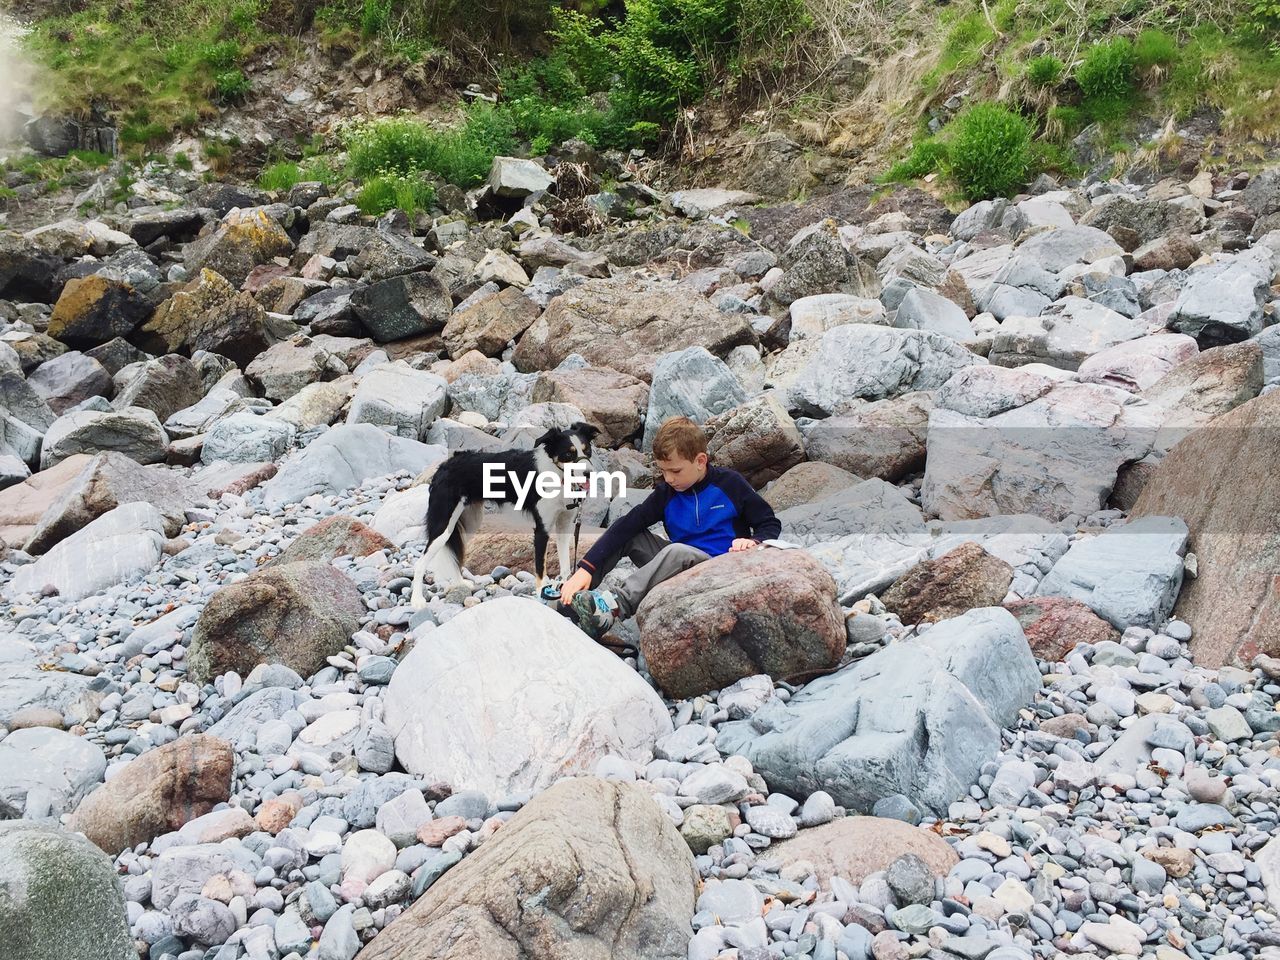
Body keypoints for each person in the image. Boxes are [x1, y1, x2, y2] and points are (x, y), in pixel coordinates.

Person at [558, 415, 783, 639]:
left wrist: (753, 542)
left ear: (700, 461)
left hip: (719, 571)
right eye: (663, 471)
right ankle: (571, 600)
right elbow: (627, 525)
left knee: (677, 551)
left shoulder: (730, 484)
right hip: (677, 569)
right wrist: (586, 568)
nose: (669, 479)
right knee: (630, 534)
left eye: (675, 471)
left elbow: (769, 523)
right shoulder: (667, 493)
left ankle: (614, 606)